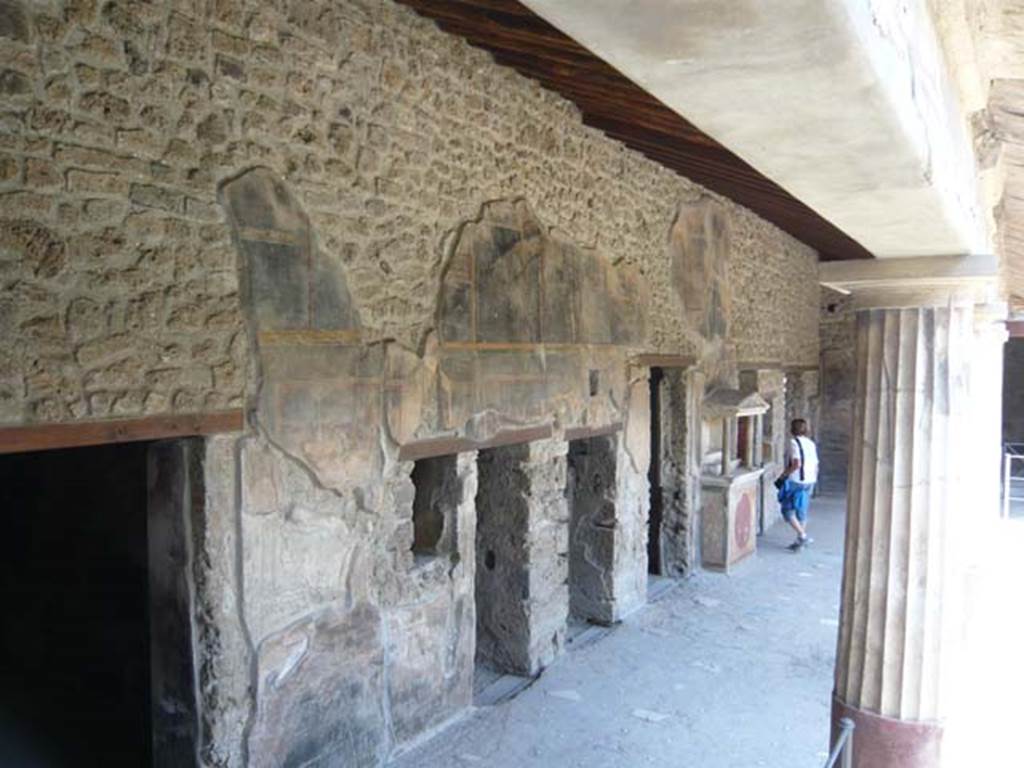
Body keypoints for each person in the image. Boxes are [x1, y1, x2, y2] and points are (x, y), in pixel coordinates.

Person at [775, 418, 819, 551]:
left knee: (787, 510)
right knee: (802, 509)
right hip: (810, 480)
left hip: (796, 480)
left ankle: (802, 535)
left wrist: (783, 475)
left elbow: (796, 463)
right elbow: (816, 464)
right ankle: (800, 540)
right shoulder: (811, 443)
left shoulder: (794, 443)